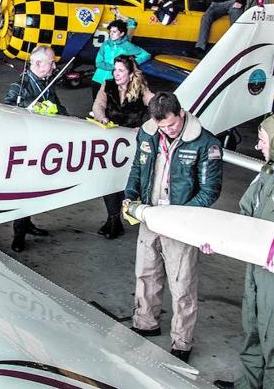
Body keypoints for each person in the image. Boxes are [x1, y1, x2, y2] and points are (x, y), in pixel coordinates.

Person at [123, 91, 223, 363]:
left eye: (172, 125)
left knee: (182, 285)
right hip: (149, 216)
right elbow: (137, 168)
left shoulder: (206, 143)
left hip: (181, 224)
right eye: (162, 127)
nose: (168, 130)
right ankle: (145, 323)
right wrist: (131, 194)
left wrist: (179, 216)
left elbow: (210, 190)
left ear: (181, 113)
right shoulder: (148, 134)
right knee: (145, 274)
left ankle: (181, 341)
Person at [210, 116, 274, 389]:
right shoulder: (266, 174)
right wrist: (217, 238)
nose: (258, 147)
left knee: (273, 338)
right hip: (255, 263)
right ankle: (248, 385)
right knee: (253, 327)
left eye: (263, 141)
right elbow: (244, 212)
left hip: (272, 273)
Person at [4, 45, 64, 252]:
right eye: (52, 63)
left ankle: (27, 224)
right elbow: (10, 112)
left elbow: (58, 107)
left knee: (36, 190)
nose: (55, 67)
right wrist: (34, 108)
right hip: (26, 148)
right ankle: (18, 234)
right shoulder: (19, 86)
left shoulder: (47, 84)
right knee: (24, 190)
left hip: (44, 146)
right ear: (37, 64)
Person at [90, 55, 154, 240]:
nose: (115, 74)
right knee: (108, 182)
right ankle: (113, 219)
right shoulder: (107, 85)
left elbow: (156, 107)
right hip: (110, 143)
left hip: (131, 145)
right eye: (115, 70)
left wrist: (143, 127)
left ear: (131, 73)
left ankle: (114, 220)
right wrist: (101, 117)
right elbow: (98, 106)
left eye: (120, 71)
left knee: (123, 182)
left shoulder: (141, 88)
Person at [91, 19, 150, 99]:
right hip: (97, 79)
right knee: (96, 104)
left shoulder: (127, 46)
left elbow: (146, 55)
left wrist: (130, 64)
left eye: (114, 32)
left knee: (111, 106)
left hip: (114, 81)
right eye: (110, 31)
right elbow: (98, 62)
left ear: (122, 33)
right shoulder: (106, 44)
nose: (111, 34)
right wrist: (114, 67)